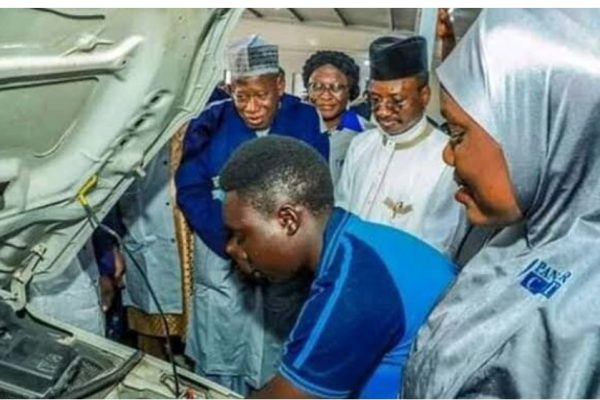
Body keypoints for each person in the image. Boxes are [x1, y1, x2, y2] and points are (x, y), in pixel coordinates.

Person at [403, 9, 600, 398]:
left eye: (457, 134)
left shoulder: (587, 309)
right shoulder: (520, 237)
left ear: (536, 132)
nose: (447, 155)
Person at [219, 136, 456, 398]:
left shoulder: (353, 283)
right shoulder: (359, 243)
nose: (231, 248)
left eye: (241, 235)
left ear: (288, 220)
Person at [175, 34, 329, 395]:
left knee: (271, 351)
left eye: (261, 95)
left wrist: (272, 242)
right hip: (222, 252)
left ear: (280, 85)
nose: (251, 107)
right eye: (241, 96)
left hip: (281, 257)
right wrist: (232, 240)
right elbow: (191, 188)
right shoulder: (211, 121)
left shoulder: (305, 119)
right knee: (220, 349)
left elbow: (315, 189)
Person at [336, 35, 462, 256]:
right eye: (375, 99)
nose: (383, 111)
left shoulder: (447, 161)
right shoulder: (360, 145)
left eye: (396, 101)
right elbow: (341, 212)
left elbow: (437, 251)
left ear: (424, 96)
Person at [302, 50, 372, 184]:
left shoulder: (366, 135)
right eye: (317, 87)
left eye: (336, 87)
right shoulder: (292, 129)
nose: (326, 96)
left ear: (350, 91)